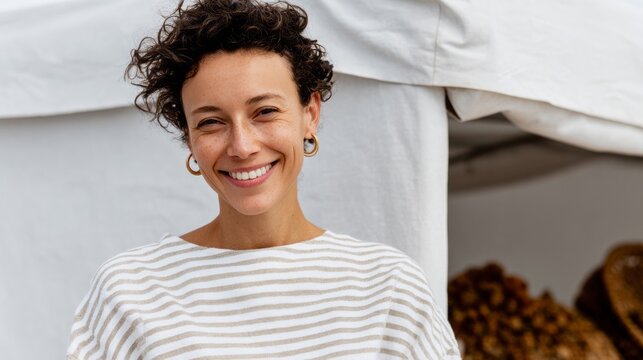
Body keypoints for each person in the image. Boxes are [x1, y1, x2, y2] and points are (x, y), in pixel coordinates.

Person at [67, 0, 461, 358]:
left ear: (310, 114)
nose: (241, 145)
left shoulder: (388, 287)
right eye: (210, 122)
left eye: (265, 112)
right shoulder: (132, 291)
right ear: (188, 137)